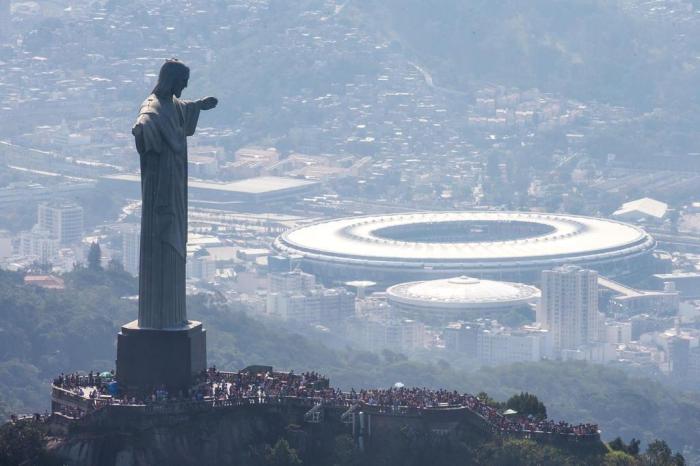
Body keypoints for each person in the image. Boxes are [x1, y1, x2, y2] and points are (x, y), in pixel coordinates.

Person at [132, 59, 218, 329]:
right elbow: (146, 119)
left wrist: (199, 106)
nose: (186, 86)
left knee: (176, 242)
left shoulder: (171, 104)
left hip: (175, 182)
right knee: (163, 241)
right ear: (172, 80)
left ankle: (173, 316)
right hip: (162, 189)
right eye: (183, 81)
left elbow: (180, 108)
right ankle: (160, 319)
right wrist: (142, 128)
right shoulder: (152, 106)